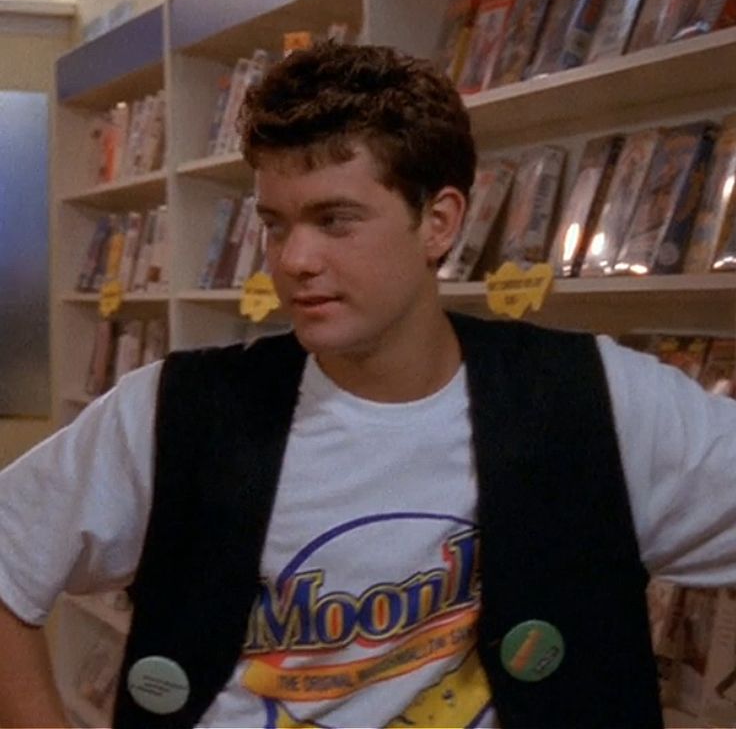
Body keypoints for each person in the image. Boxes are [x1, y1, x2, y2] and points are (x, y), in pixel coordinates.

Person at [0, 41, 736, 729]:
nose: (293, 260)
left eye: (335, 220)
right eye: (276, 224)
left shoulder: (595, 397)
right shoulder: (176, 410)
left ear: (439, 222)